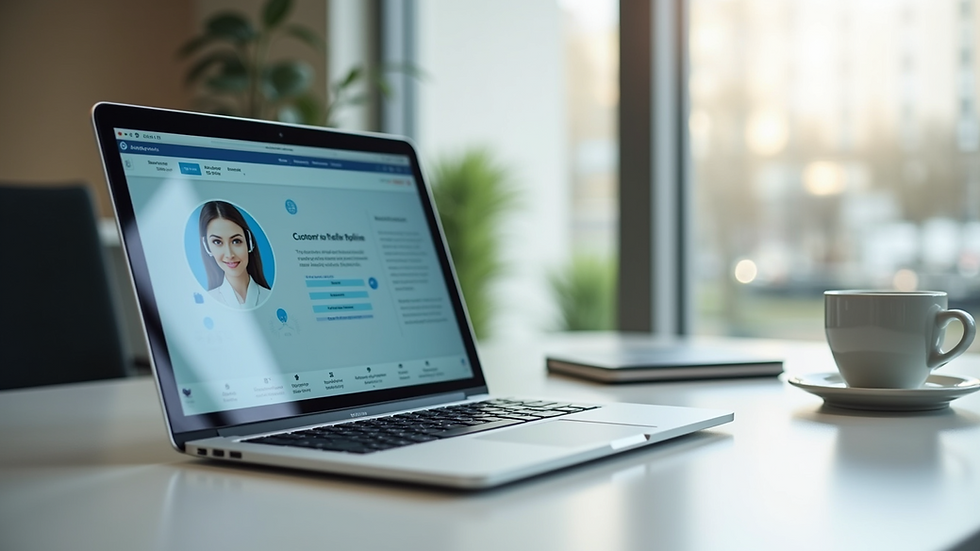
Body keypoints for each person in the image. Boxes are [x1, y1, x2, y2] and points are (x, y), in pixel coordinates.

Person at [198, 201, 271, 308]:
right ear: (207, 246)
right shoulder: (206, 303)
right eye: (217, 242)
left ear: (248, 242)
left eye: (236, 241)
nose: (229, 254)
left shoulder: (271, 297)